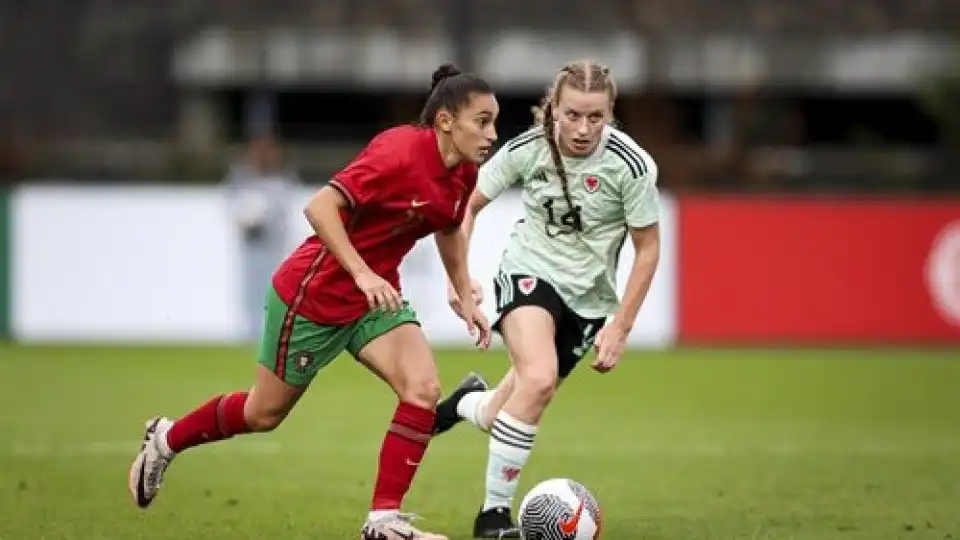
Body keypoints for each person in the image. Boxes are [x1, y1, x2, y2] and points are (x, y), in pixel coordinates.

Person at [128, 63, 498, 540]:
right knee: (263, 413)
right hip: (313, 295)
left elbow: (448, 227)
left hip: (374, 298)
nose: (492, 133)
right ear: (447, 121)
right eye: (482, 121)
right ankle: (166, 438)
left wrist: (463, 288)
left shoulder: (465, 171)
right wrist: (361, 272)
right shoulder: (398, 151)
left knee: (423, 389)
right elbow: (319, 207)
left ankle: (383, 521)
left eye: (494, 121)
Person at [433, 60, 662, 538]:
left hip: (590, 301)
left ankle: (462, 405)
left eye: (595, 117)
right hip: (528, 273)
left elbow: (648, 248)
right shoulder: (527, 149)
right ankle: (492, 516)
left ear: (610, 114)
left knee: (504, 412)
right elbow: (468, 205)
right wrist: (461, 277)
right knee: (537, 380)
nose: (583, 129)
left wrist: (621, 324)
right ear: (553, 109)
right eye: (573, 115)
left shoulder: (632, 166)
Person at [221, 132, 301, 341]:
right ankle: (252, 329)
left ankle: (278, 330)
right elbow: (232, 206)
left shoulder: (283, 180)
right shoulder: (241, 179)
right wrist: (247, 220)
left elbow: (285, 210)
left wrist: (268, 223)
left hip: (275, 247)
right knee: (252, 289)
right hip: (252, 248)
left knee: (278, 289)